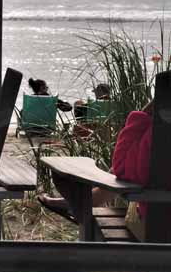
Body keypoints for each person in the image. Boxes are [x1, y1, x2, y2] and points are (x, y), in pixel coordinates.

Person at [38, 100, 153, 239]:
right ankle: (90, 200)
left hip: (157, 227)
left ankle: (87, 202)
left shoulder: (160, 131)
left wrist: (146, 112)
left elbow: (121, 168)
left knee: (127, 171)